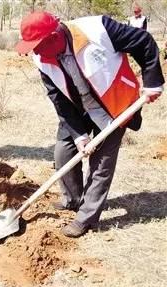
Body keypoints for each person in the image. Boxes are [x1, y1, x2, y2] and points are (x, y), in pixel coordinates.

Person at [16, 11, 164, 237]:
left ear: (54, 37)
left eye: (37, 45)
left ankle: (86, 218)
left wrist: (152, 81)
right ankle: (73, 199)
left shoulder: (98, 29)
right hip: (76, 107)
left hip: (113, 103)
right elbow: (57, 98)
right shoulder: (41, 59)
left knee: (101, 163)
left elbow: (143, 41)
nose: (34, 51)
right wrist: (78, 136)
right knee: (63, 152)